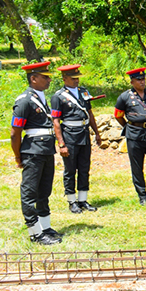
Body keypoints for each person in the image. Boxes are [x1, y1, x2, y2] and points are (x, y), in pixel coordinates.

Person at [10, 61, 62, 245]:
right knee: (30, 192)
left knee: (44, 190)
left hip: (46, 149)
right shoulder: (24, 100)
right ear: (33, 79)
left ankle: (45, 227)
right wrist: (18, 156)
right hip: (33, 151)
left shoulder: (40, 98)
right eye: (45, 77)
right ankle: (35, 233)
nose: (49, 80)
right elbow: (15, 132)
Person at [51, 64, 102, 214]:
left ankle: (83, 199)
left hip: (84, 133)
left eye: (77, 78)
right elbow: (56, 121)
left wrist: (97, 132)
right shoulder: (58, 96)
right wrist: (61, 143)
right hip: (70, 135)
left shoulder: (83, 92)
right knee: (70, 169)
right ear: (64, 78)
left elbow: (89, 113)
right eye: (73, 78)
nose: (76, 81)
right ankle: (72, 201)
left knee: (84, 167)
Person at [114, 68, 146, 205]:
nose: (142, 82)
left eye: (143, 79)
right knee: (137, 165)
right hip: (134, 133)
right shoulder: (124, 97)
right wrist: (129, 125)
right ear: (132, 82)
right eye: (138, 80)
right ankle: (142, 194)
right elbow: (118, 115)